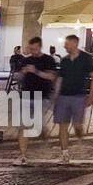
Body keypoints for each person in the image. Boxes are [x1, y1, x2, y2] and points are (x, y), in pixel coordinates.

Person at [52, 34, 93, 165]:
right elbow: (60, 78)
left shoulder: (86, 58)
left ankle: (79, 135)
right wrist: (56, 94)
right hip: (63, 96)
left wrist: (92, 94)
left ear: (74, 43)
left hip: (78, 96)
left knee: (77, 125)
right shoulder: (65, 60)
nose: (65, 46)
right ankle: (64, 153)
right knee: (62, 125)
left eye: (67, 43)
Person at [15, 37, 56, 166]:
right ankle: (22, 155)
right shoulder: (25, 60)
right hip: (26, 96)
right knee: (23, 126)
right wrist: (22, 72)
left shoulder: (48, 60)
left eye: (35, 48)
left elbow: (51, 77)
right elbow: (18, 77)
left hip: (42, 96)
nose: (33, 51)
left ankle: (43, 132)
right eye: (31, 48)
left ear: (40, 47)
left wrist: (36, 71)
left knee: (38, 125)